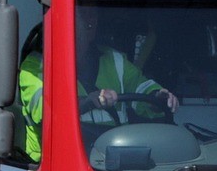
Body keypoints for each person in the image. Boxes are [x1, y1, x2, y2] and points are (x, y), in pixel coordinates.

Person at [18, 19, 179, 163]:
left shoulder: (114, 59)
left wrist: (158, 97)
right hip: (55, 166)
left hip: (112, 159)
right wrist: (87, 102)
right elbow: (46, 111)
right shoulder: (34, 68)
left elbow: (140, 87)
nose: (74, 42)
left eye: (82, 32)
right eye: (67, 36)